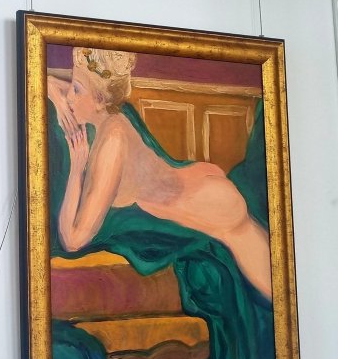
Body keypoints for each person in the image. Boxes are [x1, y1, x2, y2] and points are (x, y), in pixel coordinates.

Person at [47, 46, 272, 300]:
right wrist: (54, 92)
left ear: (100, 99)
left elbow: (73, 240)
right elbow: (52, 83)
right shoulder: (109, 115)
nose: (69, 97)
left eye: (76, 90)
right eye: (71, 87)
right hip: (192, 184)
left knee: (274, 288)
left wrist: (77, 168)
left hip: (207, 203)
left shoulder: (113, 142)